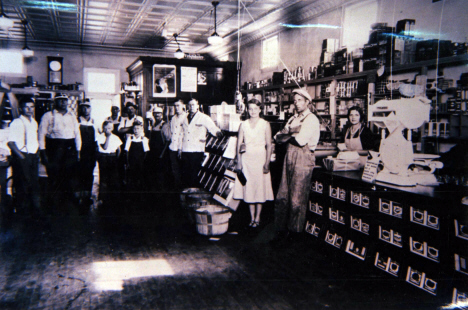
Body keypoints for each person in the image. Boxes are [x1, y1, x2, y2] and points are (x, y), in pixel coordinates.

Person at [272, 88, 320, 244]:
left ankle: (295, 234)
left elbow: (300, 141)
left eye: (300, 100)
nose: (297, 103)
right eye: (295, 101)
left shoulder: (311, 119)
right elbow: (277, 137)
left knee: (296, 199)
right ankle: (281, 231)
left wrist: (286, 135)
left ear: (307, 102)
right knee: (282, 196)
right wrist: (289, 134)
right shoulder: (293, 118)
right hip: (289, 156)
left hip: (303, 158)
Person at [233, 99, 274, 228]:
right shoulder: (243, 124)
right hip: (247, 160)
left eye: (256, 109)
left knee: (260, 187)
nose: (253, 111)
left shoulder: (265, 124)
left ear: (260, 110)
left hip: (260, 159)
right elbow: (239, 144)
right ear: (247, 110)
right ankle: (252, 218)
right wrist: (239, 162)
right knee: (249, 188)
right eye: (250, 109)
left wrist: (267, 163)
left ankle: (258, 217)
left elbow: (269, 145)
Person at [38, 95, 81, 212]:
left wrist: (78, 151)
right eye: (60, 100)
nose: (63, 102)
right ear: (55, 102)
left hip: (70, 148)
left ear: (67, 102)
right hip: (54, 148)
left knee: (69, 175)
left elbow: (77, 134)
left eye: (65, 100)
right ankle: (53, 202)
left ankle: (67, 202)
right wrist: (43, 152)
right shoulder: (48, 115)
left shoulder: (72, 116)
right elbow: (41, 134)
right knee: (54, 175)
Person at [7, 97, 41, 218]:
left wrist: (36, 154)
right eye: (26, 107)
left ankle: (32, 210)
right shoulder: (16, 122)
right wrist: (21, 156)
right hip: (22, 156)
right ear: (21, 108)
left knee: (33, 183)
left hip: (33, 156)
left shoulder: (34, 122)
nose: (29, 109)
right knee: (22, 184)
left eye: (31, 107)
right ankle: (21, 211)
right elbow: (11, 143)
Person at [180, 98, 223, 189]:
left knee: (194, 172)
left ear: (197, 105)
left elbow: (212, 128)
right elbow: (181, 133)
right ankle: (187, 192)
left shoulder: (203, 117)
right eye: (190, 105)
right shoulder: (184, 117)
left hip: (197, 149)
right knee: (186, 172)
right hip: (185, 149)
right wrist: (180, 148)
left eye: (193, 105)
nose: (191, 107)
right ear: (187, 106)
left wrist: (218, 133)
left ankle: (194, 192)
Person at [77, 101, 99, 211]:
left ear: (91, 109)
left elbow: (97, 139)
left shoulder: (94, 121)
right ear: (80, 109)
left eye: (88, 108)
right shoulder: (76, 121)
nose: (86, 110)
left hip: (91, 152)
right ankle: (79, 197)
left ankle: (87, 196)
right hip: (80, 151)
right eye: (83, 108)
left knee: (89, 174)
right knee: (79, 173)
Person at [96, 121, 122, 210]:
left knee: (114, 178)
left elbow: (119, 149)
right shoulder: (100, 137)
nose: (108, 130)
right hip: (104, 157)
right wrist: (107, 137)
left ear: (112, 128)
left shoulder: (115, 137)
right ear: (103, 128)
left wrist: (116, 158)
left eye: (110, 128)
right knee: (103, 179)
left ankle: (113, 199)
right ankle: (102, 199)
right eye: (106, 128)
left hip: (112, 158)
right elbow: (105, 147)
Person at [124, 119, 149, 199]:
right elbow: (126, 151)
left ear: (141, 129)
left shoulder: (144, 139)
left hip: (141, 162)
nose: (136, 130)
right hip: (132, 162)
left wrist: (143, 162)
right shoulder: (130, 138)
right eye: (135, 128)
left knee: (141, 178)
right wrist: (127, 162)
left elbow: (146, 152)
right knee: (131, 179)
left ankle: (140, 196)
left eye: (138, 129)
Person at [147, 106, 171, 191]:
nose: (157, 115)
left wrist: (162, 154)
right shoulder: (153, 124)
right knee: (154, 174)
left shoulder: (164, 125)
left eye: (159, 114)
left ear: (162, 115)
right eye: (155, 114)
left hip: (161, 154)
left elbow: (168, 141)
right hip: (153, 153)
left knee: (161, 175)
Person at [169, 100, 186, 190]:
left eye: (178, 105)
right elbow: (172, 132)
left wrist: (180, 149)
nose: (176, 108)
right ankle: (176, 190)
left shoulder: (186, 117)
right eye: (175, 106)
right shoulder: (173, 118)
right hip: (173, 147)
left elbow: (183, 134)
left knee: (182, 169)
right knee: (174, 169)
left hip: (182, 148)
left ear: (183, 106)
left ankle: (181, 190)